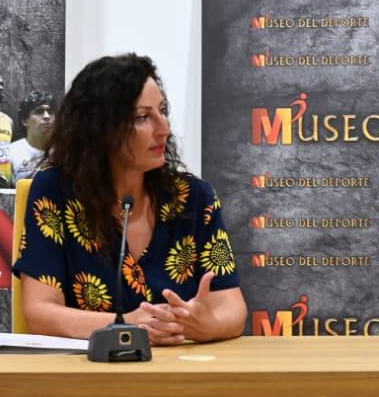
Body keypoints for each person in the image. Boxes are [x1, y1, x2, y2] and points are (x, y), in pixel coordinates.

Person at [13, 53, 247, 345]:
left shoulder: (195, 199)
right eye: (143, 117)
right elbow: (40, 313)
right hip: (87, 378)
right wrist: (125, 325)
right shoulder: (54, 192)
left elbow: (232, 307)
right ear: (101, 129)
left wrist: (204, 324)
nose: (164, 129)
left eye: (162, 111)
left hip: (178, 376)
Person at [8, 89, 57, 180]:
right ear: (24, 120)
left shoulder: (64, 152)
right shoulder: (11, 152)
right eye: (39, 112)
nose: (47, 116)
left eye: (50, 112)